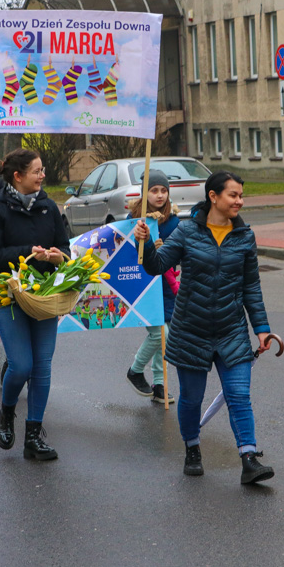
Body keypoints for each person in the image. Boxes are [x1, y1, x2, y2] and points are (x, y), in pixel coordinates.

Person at [134, 171, 275, 484]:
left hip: (232, 330)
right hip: (191, 329)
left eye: (241, 195)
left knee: (239, 395)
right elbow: (157, 266)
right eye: (233, 195)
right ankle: (192, 448)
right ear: (214, 197)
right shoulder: (187, 232)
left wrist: (261, 328)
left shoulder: (245, 236)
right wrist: (142, 244)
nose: (239, 201)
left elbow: (252, 286)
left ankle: (249, 459)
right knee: (191, 399)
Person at [0, 148, 70, 461]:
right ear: (18, 176)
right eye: (37, 170)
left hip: (44, 296)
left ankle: (34, 435)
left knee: (43, 366)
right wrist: (28, 252)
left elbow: (65, 248)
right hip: (8, 294)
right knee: (21, 365)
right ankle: (7, 413)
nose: (43, 175)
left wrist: (57, 256)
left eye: (43, 169)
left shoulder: (49, 206)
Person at [125, 171, 180, 405]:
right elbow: (125, 252)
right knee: (160, 334)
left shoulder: (174, 221)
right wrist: (143, 243)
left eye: (164, 190)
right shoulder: (134, 220)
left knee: (164, 337)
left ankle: (160, 385)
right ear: (144, 193)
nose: (159, 195)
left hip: (167, 286)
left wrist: (164, 248)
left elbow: (179, 251)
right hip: (144, 285)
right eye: (154, 190)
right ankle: (135, 370)